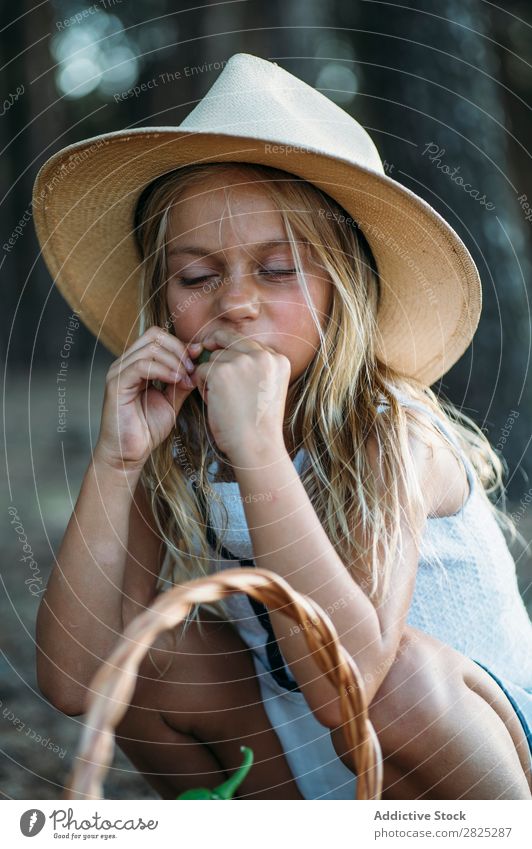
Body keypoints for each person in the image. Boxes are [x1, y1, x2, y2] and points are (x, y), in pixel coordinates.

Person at [33, 53, 532, 801]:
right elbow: (75, 680)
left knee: (407, 676)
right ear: (166, 299)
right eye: (198, 277)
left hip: (456, 757)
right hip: (311, 755)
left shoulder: (396, 433)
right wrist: (117, 459)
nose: (235, 303)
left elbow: (357, 681)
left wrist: (261, 448)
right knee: (144, 661)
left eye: (278, 269)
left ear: (345, 290)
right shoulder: (180, 436)